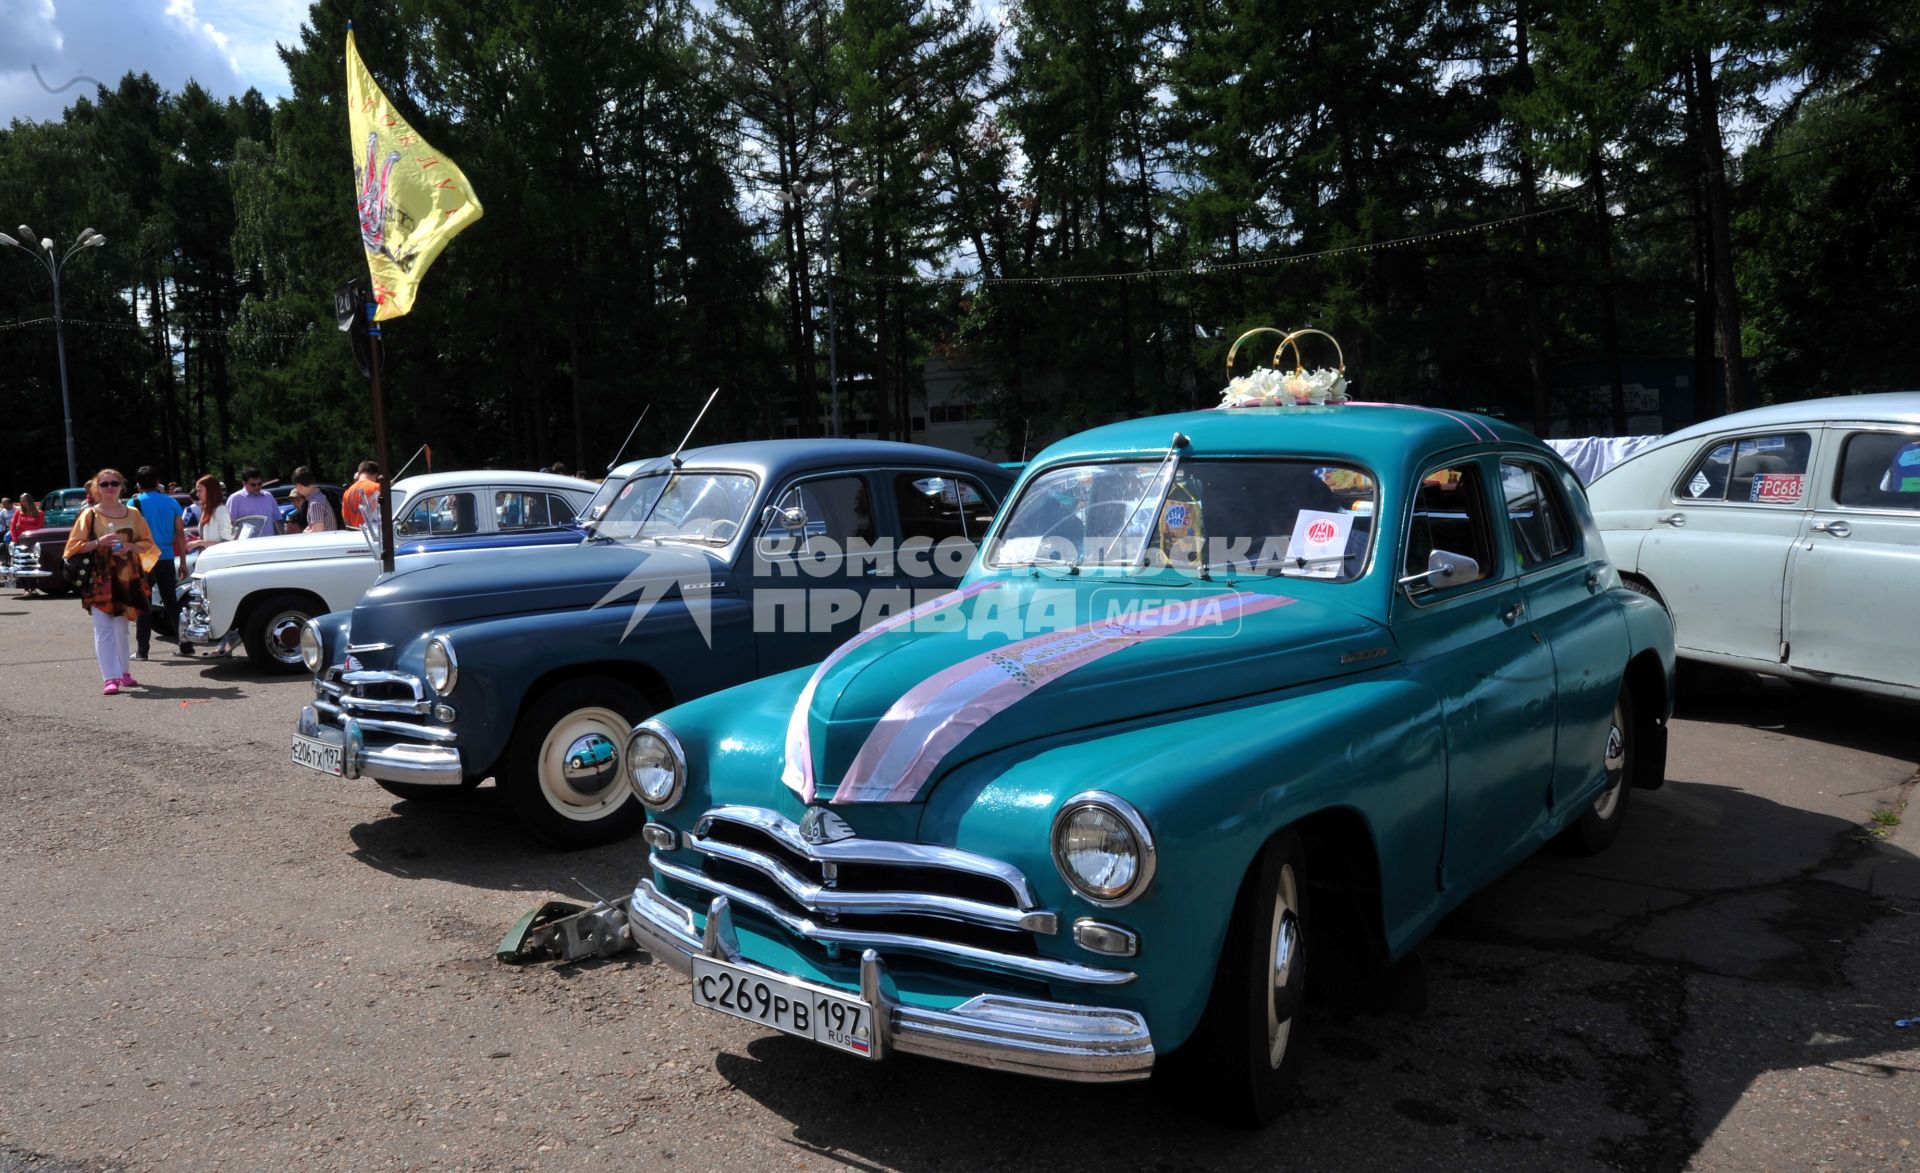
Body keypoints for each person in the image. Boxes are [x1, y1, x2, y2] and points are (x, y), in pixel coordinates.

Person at [62, 468, 157, 696]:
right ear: (97, 488)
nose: (109, 488)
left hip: (126, 577)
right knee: (103, 629)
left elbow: (148, 543)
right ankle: (110, 677)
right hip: (100, 578)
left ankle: (123, 672)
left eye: (114, 483)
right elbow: (71, 549)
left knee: (122, 629)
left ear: (121, 486)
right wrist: (98, 542)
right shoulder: (90, 515)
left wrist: (129, 546)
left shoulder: (133, 513)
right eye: (104, 484)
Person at [131, 466, 190, 659]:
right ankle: (185, 644)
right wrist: (182, 561)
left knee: (144, 604)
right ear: (158, 483)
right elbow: (180, 535)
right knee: (172, 602)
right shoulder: (171, 503)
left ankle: (143, 651)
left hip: (144, 558)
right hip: (165, 557)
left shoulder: (134, 503)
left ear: (138, 484)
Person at [225, 467, 280, 540]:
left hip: (269, 543)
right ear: (244, 483)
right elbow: (229, 525)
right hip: (247, 546)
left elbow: (277, 521)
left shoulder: (268, 496)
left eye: (260, 484)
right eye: (253, 484)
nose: (257, 487)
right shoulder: (235, 499)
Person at [186, 476, 232, 550]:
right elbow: (210, 538)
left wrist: (200, 543)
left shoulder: (220, 510)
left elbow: (227, 543)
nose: (197, 494)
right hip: (208, 557)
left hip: (218, 558)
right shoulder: (207, 509)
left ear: (210, 491)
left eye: (199, 491)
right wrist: (197, 540)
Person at [291, 466, 337, 532]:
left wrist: (305, 532)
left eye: (296, 487)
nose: (296, 490)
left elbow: (317, 534)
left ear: (299, 486)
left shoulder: (315, 504)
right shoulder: (319, 497)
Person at [342, 460, 381, 529]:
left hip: (356, 535)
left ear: (359, 473)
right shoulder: (377, 487)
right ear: (375, 474)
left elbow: (346, 520)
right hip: (373, 534)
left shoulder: (347, 492)